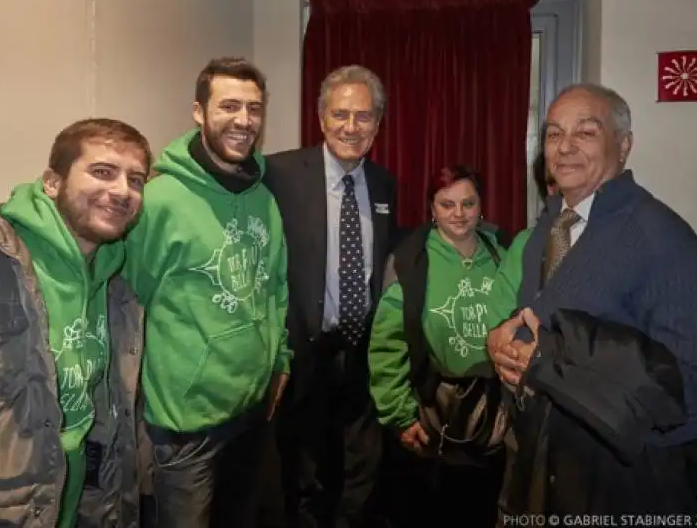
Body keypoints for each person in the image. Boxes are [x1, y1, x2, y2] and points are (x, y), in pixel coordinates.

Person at [487, 83, 697, 516]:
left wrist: (561, 370)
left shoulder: (661, 238)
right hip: (543, 474)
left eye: (586, 132)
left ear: (624, 145)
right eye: (554, 134)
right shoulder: (550, 228)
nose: (565, 147)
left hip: (622, 489)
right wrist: (501, 345)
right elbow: (541, 324)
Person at [0, 118, 151, 527]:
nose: (122, 190)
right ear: (52, 182)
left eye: (136, 180)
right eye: (103, 172)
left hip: (73, 501)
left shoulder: (117, 285)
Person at [121, 56, 291, 528]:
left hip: (253, 411)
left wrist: (280, 362)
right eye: (229, 106)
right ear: (199, 111)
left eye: (253, 108)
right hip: (185, 427)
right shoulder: (159, 202)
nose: (243, 120)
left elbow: (275, 286)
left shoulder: (263, 196)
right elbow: (130, 300)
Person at [264, 64, 398, 528]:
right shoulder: (279, 174)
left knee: (360, 473)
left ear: (377, 124)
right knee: (303, 479)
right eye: (340, 114)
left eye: (364, 117)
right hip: (304, 353)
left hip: (362, 354)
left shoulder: (384, 185)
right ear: (321, 118)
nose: (351, 127)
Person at [368, 165, 507, 527]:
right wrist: (400, 415)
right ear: (432, 208)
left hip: (495, 418)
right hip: (434, 417)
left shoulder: (502, 251)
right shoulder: (410, 260)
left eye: (468, 203)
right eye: (447, 204)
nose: (459, 214)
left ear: (481, 205)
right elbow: (387, 345)